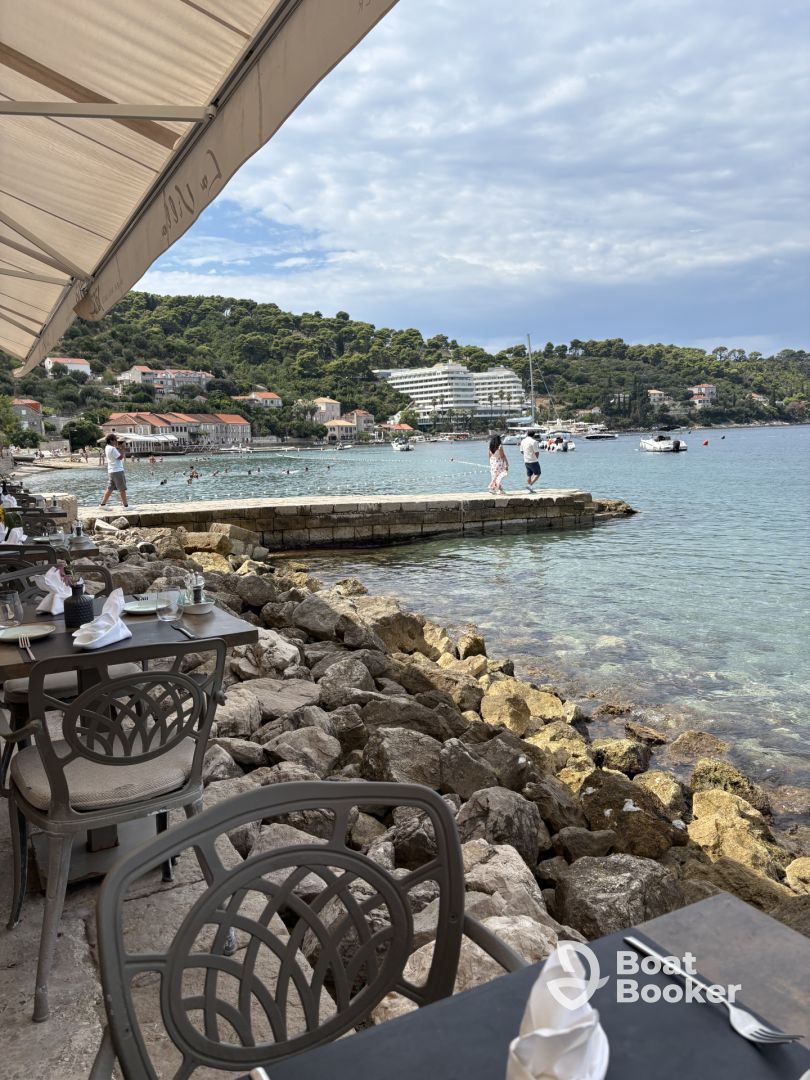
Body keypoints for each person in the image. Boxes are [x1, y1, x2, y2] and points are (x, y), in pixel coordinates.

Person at [99, 434, 132, 509]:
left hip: (111, 471)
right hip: (117, 470)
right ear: (111, 440)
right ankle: (126, 506)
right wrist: (123, 448)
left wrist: (118, 447)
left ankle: (102, 505)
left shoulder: (107, 447)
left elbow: (115, 455)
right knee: (122, 489)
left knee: (110, 488)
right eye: (115, 440)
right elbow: (120, 457)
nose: (117, 441)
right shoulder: (112, 449)